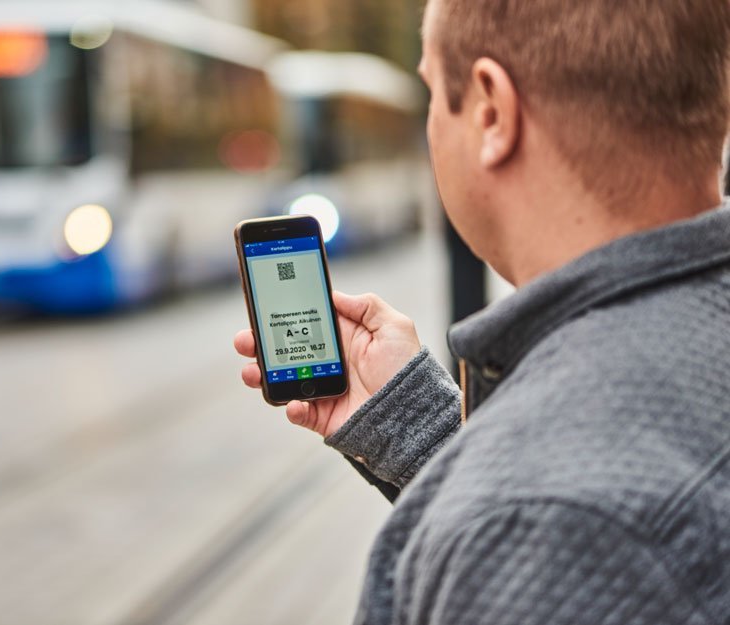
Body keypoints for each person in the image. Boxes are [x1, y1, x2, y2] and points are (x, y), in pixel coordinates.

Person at [233, 0, 730, 623]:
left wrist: (496, 495)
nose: (431, 130)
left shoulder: (531, 523)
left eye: (434, 96)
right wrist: (418, 428)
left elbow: (548, 524)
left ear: (491, 111)